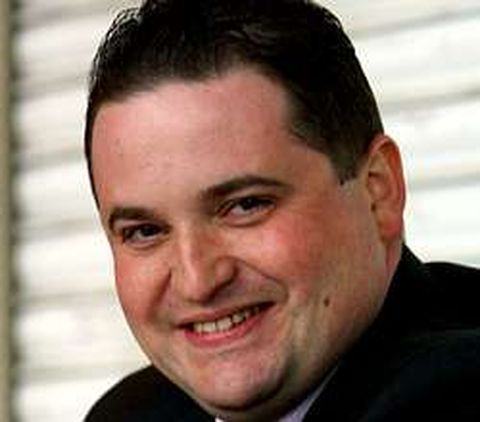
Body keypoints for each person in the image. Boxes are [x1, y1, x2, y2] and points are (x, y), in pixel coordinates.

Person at [84, 0, 480, 420]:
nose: (197, 282)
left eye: (245, 206)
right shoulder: (131, 413)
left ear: (377, 192)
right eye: (145, 231)